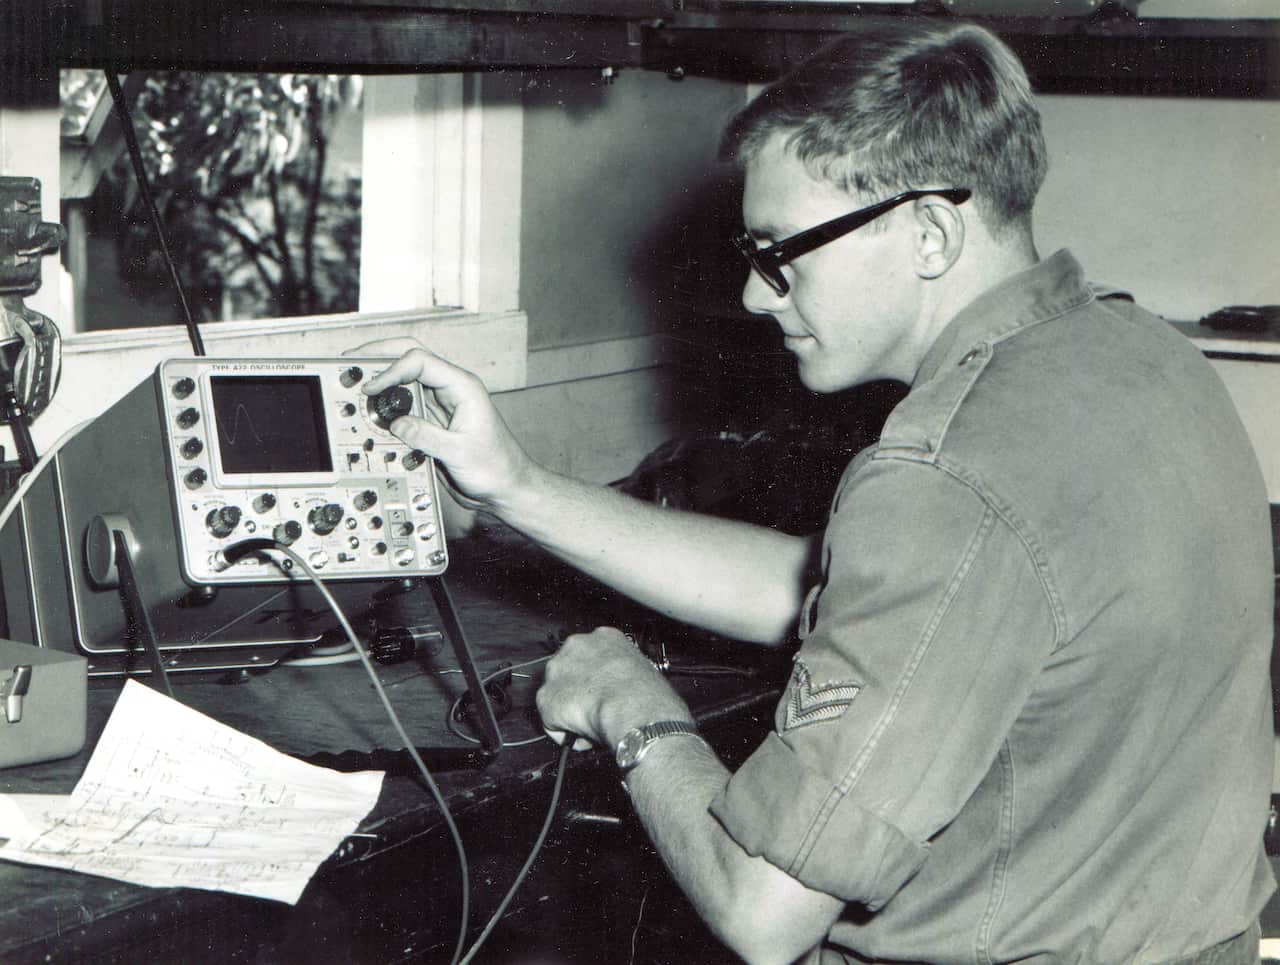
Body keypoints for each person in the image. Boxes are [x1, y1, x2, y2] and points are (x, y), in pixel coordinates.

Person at [360, 19, 1275, 964]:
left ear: (929, 231)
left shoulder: (946, 473)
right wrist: (516, 485)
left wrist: (627, 704)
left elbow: (762, 910)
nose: (759, 297)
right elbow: (831, 593)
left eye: (780, 252)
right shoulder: (1144, 357)